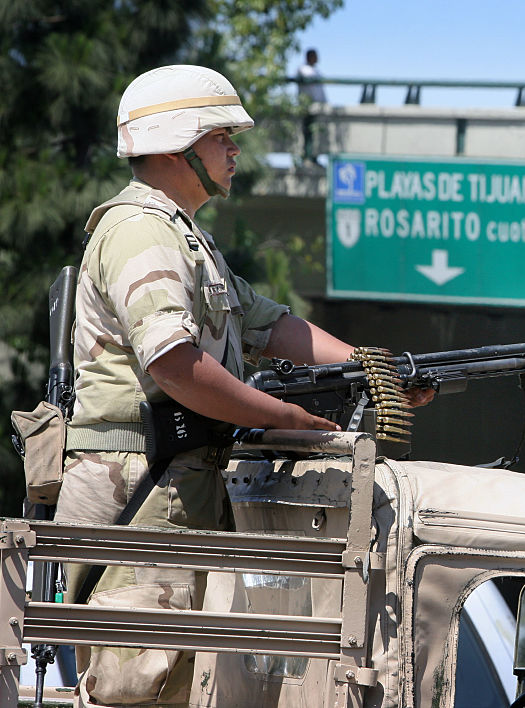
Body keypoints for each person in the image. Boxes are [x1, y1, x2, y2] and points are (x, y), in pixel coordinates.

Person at [54, 64, 430, 707]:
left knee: (183, 684)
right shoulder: (141, 230)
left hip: (177, 487)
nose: (235, 150)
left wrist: (374, 368)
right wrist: (283, 414)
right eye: (221, 136)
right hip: (142, 492)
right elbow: (173, 363)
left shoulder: (188, 240)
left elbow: (270, 324)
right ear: (178, 145)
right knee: (139, 685)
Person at [297, 48, 326, 164]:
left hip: (318, 107)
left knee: (316, 133)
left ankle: (313, 156)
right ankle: (305, 156)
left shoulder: (317, 71)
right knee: (307, 131)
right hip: (307, 106)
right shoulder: (303, 70)